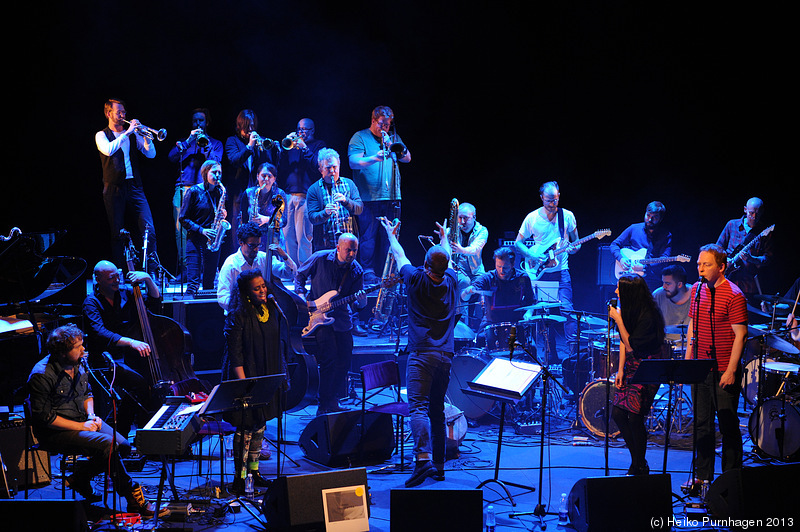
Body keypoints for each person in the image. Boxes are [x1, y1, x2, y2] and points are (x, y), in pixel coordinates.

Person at [27, 325, 165, 516]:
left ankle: (80, 478)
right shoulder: (42, 374)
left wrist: (91, 415)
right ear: (63, 352)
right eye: (78, 346)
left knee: (123, 445)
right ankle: (132, 496)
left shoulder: (79, 363)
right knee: (108, 445)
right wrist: (81, 426)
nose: (83, 349)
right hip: (55, 431)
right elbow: (45, 418)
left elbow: (87, 393)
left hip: (82, 420)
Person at [380, 216, 456, 488]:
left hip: (422, 355)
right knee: (437, 409)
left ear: (425, 266)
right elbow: (446, 257)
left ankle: (422, 460)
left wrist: (391, 234)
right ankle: (439, 465)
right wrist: (445, 237)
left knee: (419, 409)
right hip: (445, 357)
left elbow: (399, 254)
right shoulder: (452, 279)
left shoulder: (414, 279)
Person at [221, 269, 289, 494]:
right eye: (257, 288)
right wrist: (243, 386)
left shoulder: (270, 308)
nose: (262, 291)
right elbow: (235, 354)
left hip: (267, 374)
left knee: (260, 424)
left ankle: (254, 471)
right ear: (246, 293)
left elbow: (277, 344)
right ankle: (240, 477)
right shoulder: (238, 314)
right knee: (245, 427)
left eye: (263, 286)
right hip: (246, 376)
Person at [685, 244, 747, 483]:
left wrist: (731, 370)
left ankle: (731, 480)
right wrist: (688, 361)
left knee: (727, 425)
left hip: (723, 367)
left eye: (706, 264)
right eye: (699, 264)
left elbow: (740, 335)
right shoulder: (697, 289)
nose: (700, 269)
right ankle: (702, 478)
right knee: (702, 424)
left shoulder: (734, 294)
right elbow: (692, 326)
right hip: (700, 368)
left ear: (722, 267)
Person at [82, 260, 160, 439]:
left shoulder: (126, 294)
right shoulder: (91, 302)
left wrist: (148, 279)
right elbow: (99, 332)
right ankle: (120, 434)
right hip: (104, 360)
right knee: (139, 385)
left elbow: (155, 302)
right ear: (98, 279)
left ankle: (141, 433)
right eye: (111, 278)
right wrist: (131, 342)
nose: (117, 280)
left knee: (145, 387)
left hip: (130, 358)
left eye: (118, 275)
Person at [294, 233, 366, 415]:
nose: (351, 254)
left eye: (354, 250)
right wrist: (302, 298)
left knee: (345, 359)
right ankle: (325, 403)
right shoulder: (320, 258)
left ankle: (331, 398)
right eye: (348, 250)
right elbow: (300, 276)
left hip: (342, 319)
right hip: (318, 318)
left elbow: (357, 304)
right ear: (338, 248)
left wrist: (362, 301)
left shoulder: (357, 270)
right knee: (329, 358)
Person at [608, 274, 668, 476]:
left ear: (630, 293)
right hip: (632, 366)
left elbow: (632, 344)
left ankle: (638, 465)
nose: (616, 292)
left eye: (619, 289)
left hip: (648, 368)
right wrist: (621, 369)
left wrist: (618, 320)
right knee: (617, 413)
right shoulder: (629, 310)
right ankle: (639, 461)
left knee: (635, 417)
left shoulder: (648, 316)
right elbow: (624, 344)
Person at [514, 181, 580, 359]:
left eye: (556, 200)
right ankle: (551, 355)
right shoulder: (532, 218)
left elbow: (576, 243)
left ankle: (573, 356)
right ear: (542, 197)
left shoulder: (567, 216)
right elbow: (518, 242)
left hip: (561, 270)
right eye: (549, 200)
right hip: (540, 273)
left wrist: (574, 248)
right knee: (544, 314)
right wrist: (533, 256)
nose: (553, 204)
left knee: (568, 310)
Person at [95, 98, 159, 276]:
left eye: (124, 112)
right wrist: (128, 133)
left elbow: (151, 154)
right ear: (109, 114)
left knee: (149, 229)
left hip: (134, 186)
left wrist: (146, 137)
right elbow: (108, 150)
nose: (123, 115)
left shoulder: (131, 134)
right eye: (119, 112)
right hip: (113, 187)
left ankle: (151, 272)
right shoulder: (101, 135)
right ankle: (119, 274)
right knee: (117, 233)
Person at [348, 105, 411, 283]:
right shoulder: (360, 137)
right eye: (382, 123)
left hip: (392, 197)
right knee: (368, 237)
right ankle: (367, 272)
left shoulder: (393, 137)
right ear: (373, 121)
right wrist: (375, 157)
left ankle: (388, 272)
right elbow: (354, 162)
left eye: (388, 124)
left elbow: (407, 158)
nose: (385, 128)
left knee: (390, 237)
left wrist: (393, 146)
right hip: (369, 198)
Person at [167, 108, 225, 278]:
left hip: (205, 191)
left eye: (201, 121)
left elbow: (217, 161)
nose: (198, 124)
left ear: (207, 123)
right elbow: (171, 157)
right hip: (183, 188)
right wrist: (188, 141)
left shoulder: (215, 143)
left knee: (206, 229)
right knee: (181, 230)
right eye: (195, 121)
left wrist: (205, 144)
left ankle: (205, 271)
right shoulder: (184, 142)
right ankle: (186, 270)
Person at [225, 109, 279, 256]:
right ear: (239, 126)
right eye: (246, 126)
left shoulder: (260, 142)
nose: (250, 130)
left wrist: (265, 148)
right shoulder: (232, 141)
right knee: (239, 226)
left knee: (259, 227)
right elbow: (234, 160)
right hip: (239, 193)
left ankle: (258, 259)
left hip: (259, 193)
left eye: (252, 126)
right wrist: (249, 147)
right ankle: (238, 258)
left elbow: (268, 164)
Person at [461, 247, 535, 349]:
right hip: (492, 322)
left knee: (531, 347)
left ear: (513, 265)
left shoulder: (522, 278)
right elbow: (464, 298)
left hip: (515, 322)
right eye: (498, 266)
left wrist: (529, 313)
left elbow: (531, 300)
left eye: (505, 267)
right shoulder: (487, 278)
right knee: (480, 341)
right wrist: (467, 292)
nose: (501, 270)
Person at [217, 221, 297, 313]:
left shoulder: (263, 258)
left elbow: (290, 274)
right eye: (252, 246)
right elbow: (222, 296)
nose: (256, 249)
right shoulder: (230, 264)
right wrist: (242, 307)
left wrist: (284, 256)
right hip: (238, 316)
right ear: (241, 242)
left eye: (258, 245)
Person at [278, 118, 325, 267]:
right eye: (299, 129)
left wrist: (305, 148)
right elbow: (282, 169)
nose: (301, 132)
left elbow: (317, 166)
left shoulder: (318, 145)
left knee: (304, 237)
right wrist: (285, 150)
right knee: (288, 236)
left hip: (306, 197)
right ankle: (291, 270)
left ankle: (304, 272)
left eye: (304, 129)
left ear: (312, 131)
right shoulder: (291, 147)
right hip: (288, 195)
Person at [178, 160, 227, 296]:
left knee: (209, 283)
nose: (218, 176)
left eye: (220, 173)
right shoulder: (194, 191)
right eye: (214, 172)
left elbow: (217, 214)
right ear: (205, 173)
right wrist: (202, 230)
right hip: (195, 240)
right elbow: (183, 218)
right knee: (193, 283)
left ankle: (207, 314)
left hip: (212, 242)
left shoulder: (220, 192)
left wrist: (223, 214)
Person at [716, 197, 772, 302]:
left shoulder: (764, 232)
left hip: (748, 285)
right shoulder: (732, 225)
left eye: (758, 213)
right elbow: (717, 248)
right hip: (727, 279)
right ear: (745, 209)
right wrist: (724, 260)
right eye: (751, 213)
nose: (754, 217)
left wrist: (752, 259)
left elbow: (768, 259)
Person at [307, 148, 364, 252]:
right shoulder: (314, 189)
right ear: (321, 170)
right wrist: (326, 212)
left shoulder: (349, 184)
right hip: (325, 245)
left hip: (349, 244)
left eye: (335, 167)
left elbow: (359, 209)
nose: (332, 171)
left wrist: (346, 201)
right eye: (328, 168)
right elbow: (312, 218)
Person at [609, 201, 672, 292]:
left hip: (651, 279)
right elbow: (614, 244)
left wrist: (645, 267)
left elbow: (665, 259)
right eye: (648, 215)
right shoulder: (634, 228)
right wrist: (621, 259)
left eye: (655, 217)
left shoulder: (665, 235)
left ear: (660, 219)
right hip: (630, 277)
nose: (650, 219)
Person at [447, 202, 488, 330]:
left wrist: (461, 249)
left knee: (483, 288)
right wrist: (444, 238)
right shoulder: (451, 231)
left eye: (466, 218)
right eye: (460, 218)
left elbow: (475, 249)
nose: (462, 221)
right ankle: (462, 326)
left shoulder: (482, 231)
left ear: (474, 217)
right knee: (463, 282)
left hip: (477, 271)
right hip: (459, 270)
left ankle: (480, 329)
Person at [240, 162, 289, 249]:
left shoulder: (280, 194)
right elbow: (242, 220)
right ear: (257, 176)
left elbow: (284, 221)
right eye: (263, 176)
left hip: (274, 238)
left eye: (269, 176)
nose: (266, 179)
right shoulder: (248, 193)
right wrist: (249, 222)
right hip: (254, 238)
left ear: (274, 179)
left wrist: (267, 219)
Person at [653, 264, 692, 346]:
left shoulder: (696, 295)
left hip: (690, 346)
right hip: (665, 347)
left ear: (679, 284)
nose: (664, 286)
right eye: (663, 283)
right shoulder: (657, 295)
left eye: (667, 283)